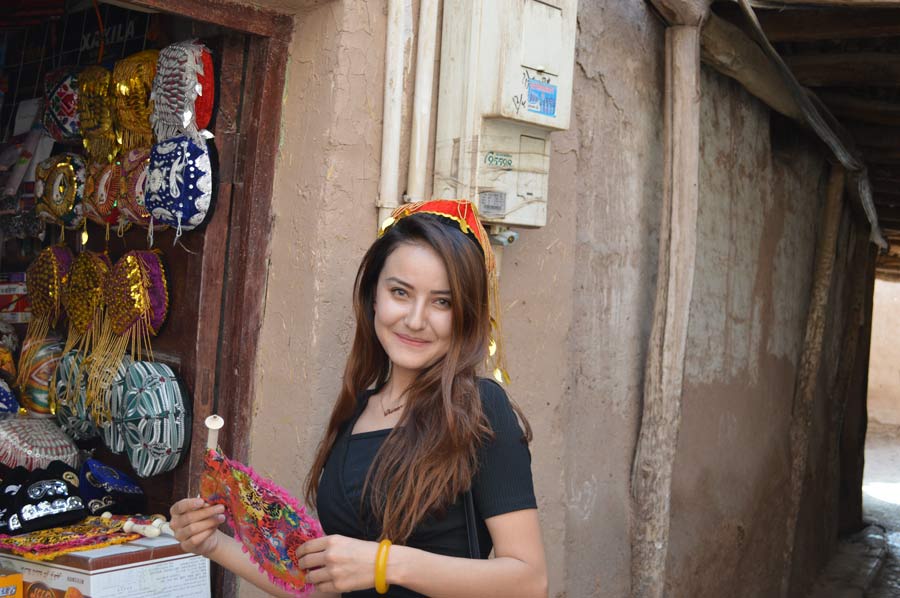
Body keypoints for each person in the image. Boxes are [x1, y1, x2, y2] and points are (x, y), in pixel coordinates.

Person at [170, 200, 547, 597]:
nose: (416, 319)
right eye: (400, 292)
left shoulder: (479, 408)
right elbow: (325, 588)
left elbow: (529, 581)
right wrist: (214, 544)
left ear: (465, 314)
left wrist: (384, 563)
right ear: (373, 297)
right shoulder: (357, 411)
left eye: (442, 301)